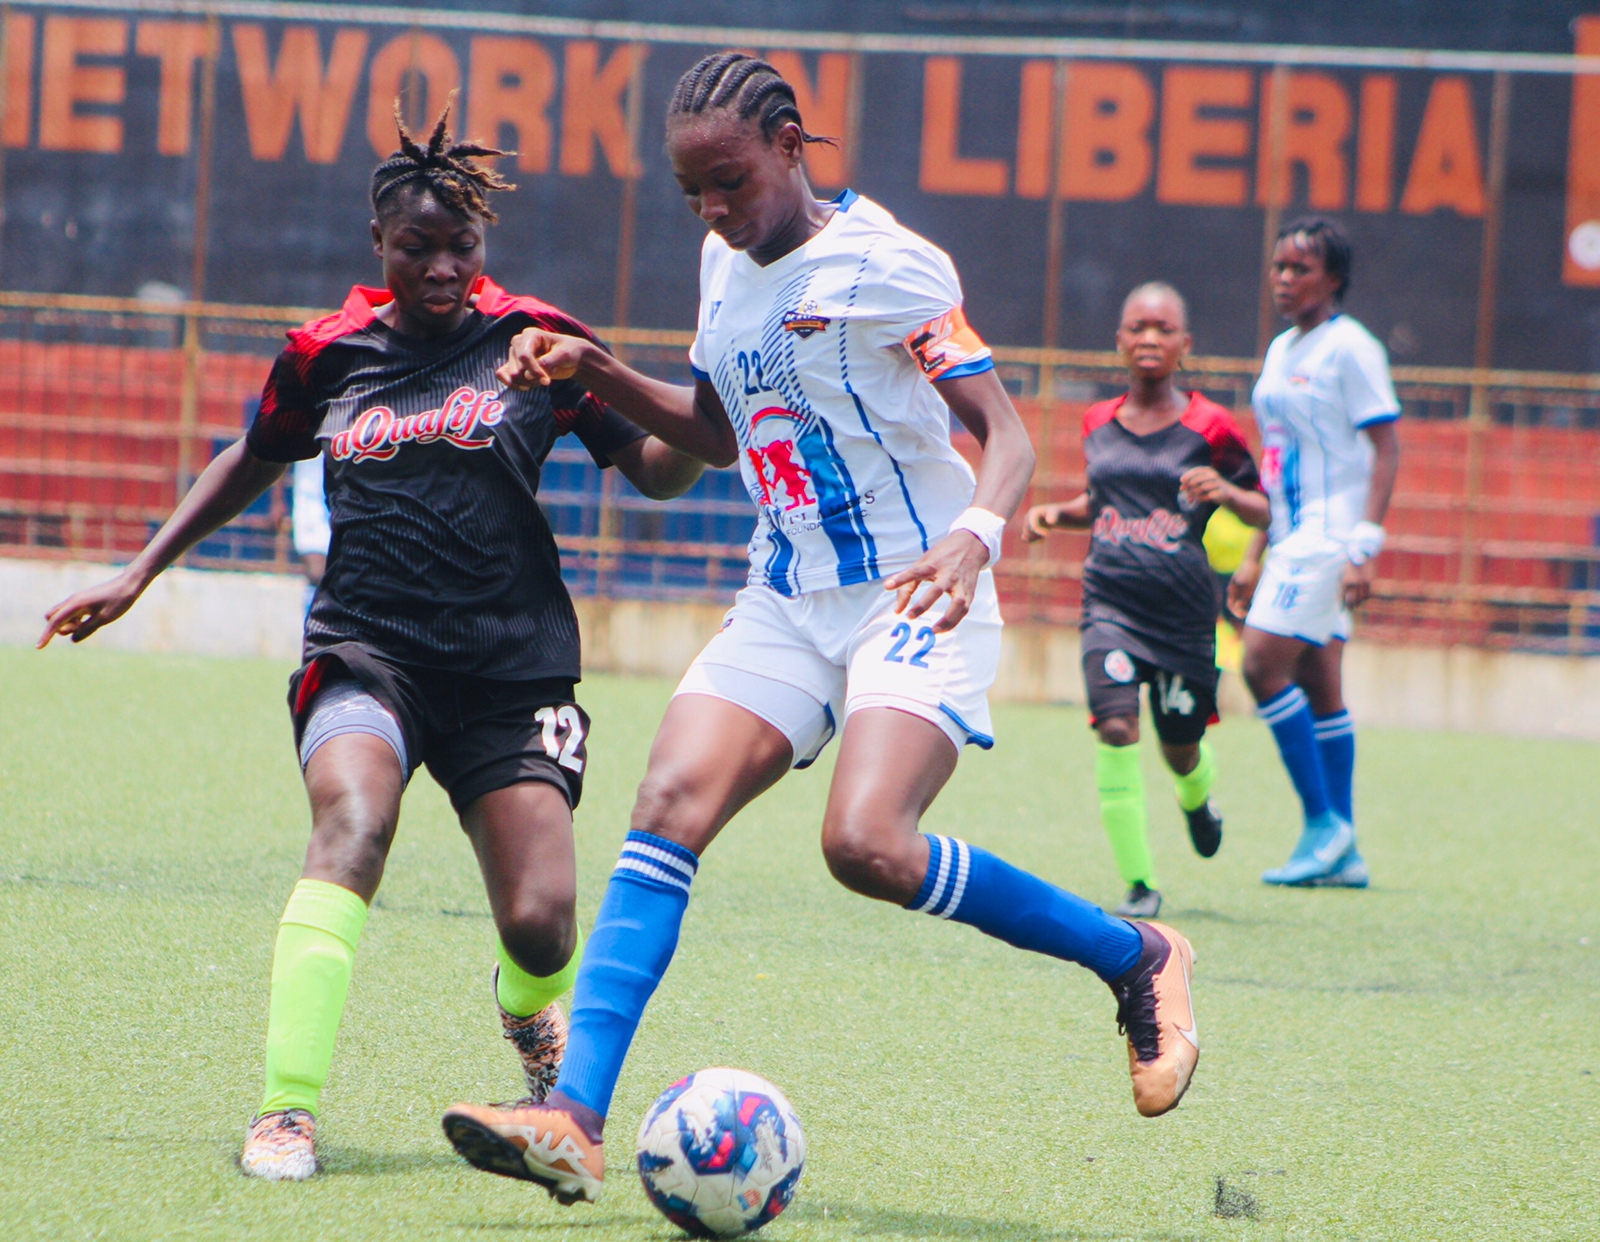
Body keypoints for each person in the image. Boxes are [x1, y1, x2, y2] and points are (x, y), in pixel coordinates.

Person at [437, 53, 1201, 1206]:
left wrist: (979, 533)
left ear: (790, 146)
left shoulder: (887, 266)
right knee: (664, 808)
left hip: (917, 589)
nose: (714, 211)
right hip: (788, 595)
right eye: (693, 191)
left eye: (731, 183)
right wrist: (590, 374)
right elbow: (705, 432)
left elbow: (1004, 434)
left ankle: (1136, 957)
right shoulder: (720, 262)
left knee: (867, 848)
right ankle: (573, 1118)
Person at [37, 105, 703, 1181]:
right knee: (353, 818)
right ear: (377, 248)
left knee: (541, 927)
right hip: (367, 652)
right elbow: (250, 459)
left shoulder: (536, 340)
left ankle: (530, 1022)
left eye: (462, 248)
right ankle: (286, 1112)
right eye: (417, 248)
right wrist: (138, 570)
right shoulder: (327, 355)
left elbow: (668, 471)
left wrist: (655, 383)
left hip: (512, 671)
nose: (443, 269)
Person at [1023, 283, 1268, 919]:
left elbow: (1266, 505)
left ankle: (1197, 796)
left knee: (1178, 745)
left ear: (1185, 345)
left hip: (1184, 612)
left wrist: (1227, 492)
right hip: (1109, 603)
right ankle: (1138, 884)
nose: (1150, 338)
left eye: (1163, 328)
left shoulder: (1211, 425)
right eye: (1138, 327)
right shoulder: (1097, 421)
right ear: (1120, 342)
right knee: (1115, 727)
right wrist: (1057, 512)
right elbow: (1103, 503)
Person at [1228, 217, 1401, 887]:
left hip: (1330, 537)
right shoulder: (1280, 352)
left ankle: (1322, 823)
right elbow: (1277, 464)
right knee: (1321, 683)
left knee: (1261, 663)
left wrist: (1365, 545)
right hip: (1292, 534)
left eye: (1299, 268)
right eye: (1278, 267)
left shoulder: (1351, 349)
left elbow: (1387, 448)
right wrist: (1256, 550)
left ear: (1333, 278)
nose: (1284, 279)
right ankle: (1346, 851)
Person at [291, 455, 329, 616]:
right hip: (310, 500)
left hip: (343, 499)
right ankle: (312, 627)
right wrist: (277, 500)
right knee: (317, 573)